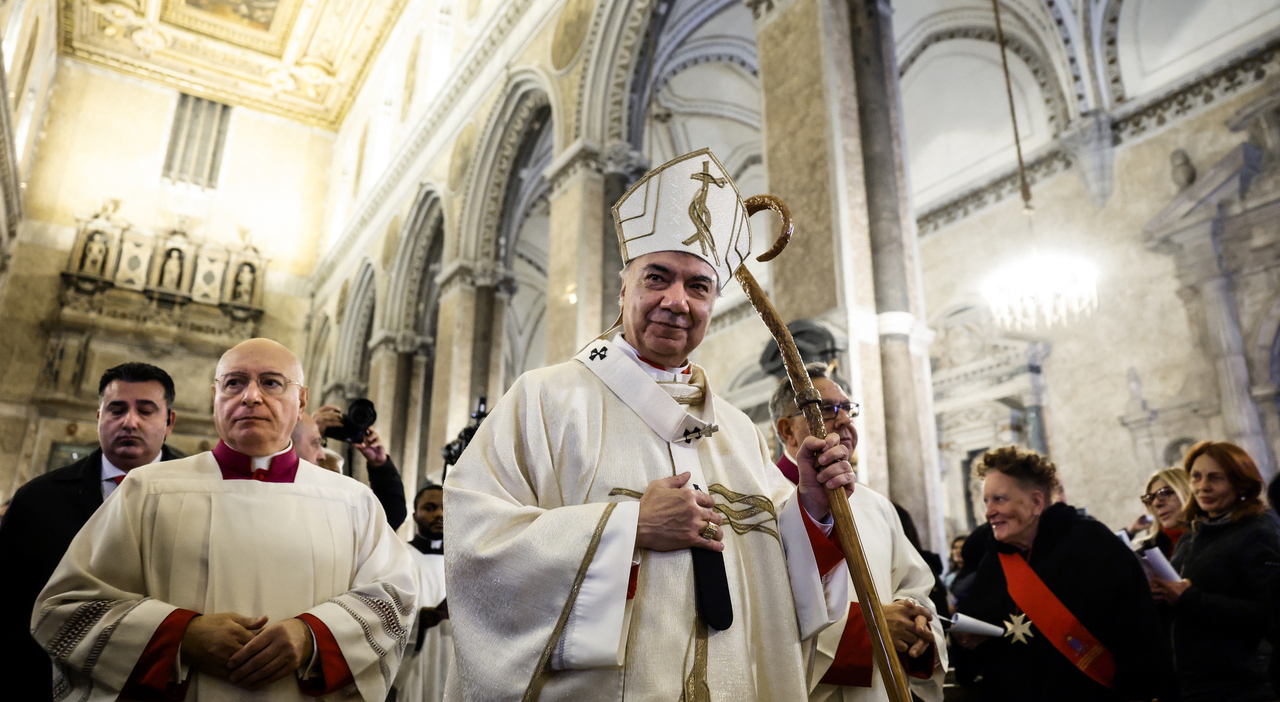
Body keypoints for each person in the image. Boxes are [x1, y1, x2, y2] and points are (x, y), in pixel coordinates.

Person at [443, 148, 856, 701]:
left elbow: (784, 588)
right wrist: (628, 526)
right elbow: (476, 543)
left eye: (698, 286)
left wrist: (811, 505)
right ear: (624, 287)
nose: (676, 301)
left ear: (713, 303)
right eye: (657, 277)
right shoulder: (546, 399)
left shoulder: (736, 430)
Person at [33, 338, 417, 701]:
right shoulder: (147, 490)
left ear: (300, 402)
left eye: (271, 383)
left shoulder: (352, 500)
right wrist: (180, 636)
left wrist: (313, 637)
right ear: (213, 397)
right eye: (234, 383)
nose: (251, 396)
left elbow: (394, 598)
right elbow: (67, 607)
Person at [0, 362, 183, 702]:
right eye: (116, 409)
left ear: (169, 421)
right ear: (98, 415)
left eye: (145, 410)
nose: (130, 421)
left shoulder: (202, 497)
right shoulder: (38, 501)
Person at [769, 362, 945, 702]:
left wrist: (916, 627)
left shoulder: (877, 505)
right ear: (788, 430)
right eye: (827, 409)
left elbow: (915, 587)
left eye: (848, 409)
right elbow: (762, 615)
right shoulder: (761, 502)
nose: (845, 421)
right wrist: (871, 630)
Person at [954, 446, 1178, 702]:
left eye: (999, 499)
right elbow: (979, 639)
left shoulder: (1092, 544)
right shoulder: (994, 561)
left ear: (1037, 502)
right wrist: (967, 643)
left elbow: (1137, 635)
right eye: (987, 500)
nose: (988, 511)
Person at [1151, 441, 1280, 702]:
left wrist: (1188, 598)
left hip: (1242, 686)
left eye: (1215, 478)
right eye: (1196, 477)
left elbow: (1269, 614)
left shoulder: (1258, 531)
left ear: (1240, 483)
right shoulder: (1194, 534)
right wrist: (1160, 595)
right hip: (1194, 684)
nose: (1202, 486)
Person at [293, 408, 407, 528]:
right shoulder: (290, 504)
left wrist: (380, 465)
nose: (320, 455)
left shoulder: (345, 516)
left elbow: (389, 518)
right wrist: (308, 431)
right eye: (316, 443)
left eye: (335, 476)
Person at [393, 484, 450, 702]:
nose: (439, 514)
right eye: (430, 508)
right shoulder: (399, 556)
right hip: (413, 658)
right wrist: (417, 621)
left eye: (445, 508)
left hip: (449, 653)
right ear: (415, 515)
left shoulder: (466, 563)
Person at [1129, 467, 1191, 558]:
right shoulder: (1149, 551)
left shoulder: (1212, 537)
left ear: (1186, 491)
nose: (1156, 503)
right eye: (1151, 498)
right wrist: (1130, 532)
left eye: (1165, 492)